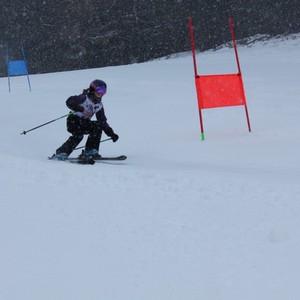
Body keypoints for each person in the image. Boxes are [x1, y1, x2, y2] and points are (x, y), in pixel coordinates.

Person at [51, 79, 119, 160]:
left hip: (84, 122)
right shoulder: (84, 98)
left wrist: (110, 133)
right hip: (73, 120)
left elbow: (102, 121)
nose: (101, 93)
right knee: (78, 135)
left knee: (97, 126)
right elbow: (69, 101)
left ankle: (90, 150)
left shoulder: (98, 105)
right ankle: (62, 153)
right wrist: (78, 108)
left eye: (103, 91)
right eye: (99, 90)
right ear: (93, 89)